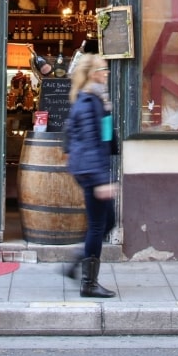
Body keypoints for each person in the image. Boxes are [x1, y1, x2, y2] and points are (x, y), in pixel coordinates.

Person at [65, 53, 117, 298]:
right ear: (94, 73)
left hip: (94, 168)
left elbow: (103, 137)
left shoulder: (96, 99)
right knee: (99, 224)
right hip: (91, 171)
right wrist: (99, 180)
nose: (106, 73)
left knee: (108, 221)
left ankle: (77, 263)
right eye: (103, 69)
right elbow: (89, 143)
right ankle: (89, 283)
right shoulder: (88, 102)